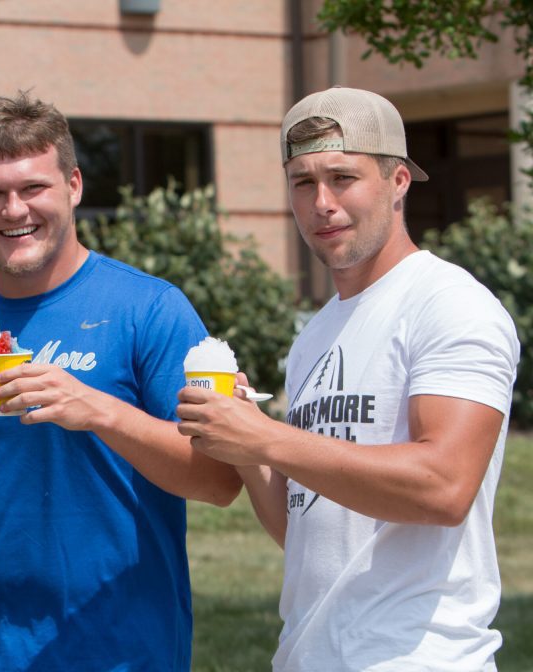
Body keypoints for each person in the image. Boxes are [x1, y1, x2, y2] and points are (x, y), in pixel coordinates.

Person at [176, 86, 520, 670]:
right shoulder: (315, 334)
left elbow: (444, 486)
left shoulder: (449, 304)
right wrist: (242, 439)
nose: (322, 203)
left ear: (398, 183)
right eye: (302, 182)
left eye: (343, 177)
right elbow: (306, 531)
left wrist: (266, 439)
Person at [0, 91, 242, 671]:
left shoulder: (150, 310)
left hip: (122, 653)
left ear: (74, 186)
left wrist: (99, 410)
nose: (14, 210)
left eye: (33, 188)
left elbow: (217, 480)